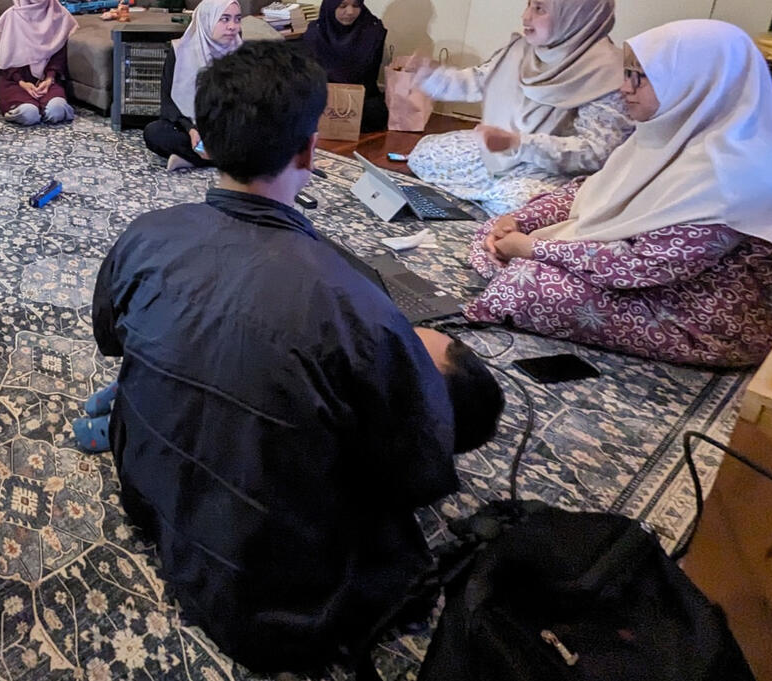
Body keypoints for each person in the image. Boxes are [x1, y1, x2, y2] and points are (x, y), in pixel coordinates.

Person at [89, 41, 503, 674]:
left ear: (204, 142)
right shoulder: (357, 301)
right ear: (310, 150)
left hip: (146, 494)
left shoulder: (146, 234)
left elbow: (112, 339)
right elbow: (416, 475)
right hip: (268, 598)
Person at [466, 19, 772, 368]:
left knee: (524, 283)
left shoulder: (741, 174)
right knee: (492, 232)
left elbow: (644, 265)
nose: (625, 87)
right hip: (638, 275)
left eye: (642, 76)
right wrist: (519, 220)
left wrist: (533, 248)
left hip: (695, 314)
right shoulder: (666, 133)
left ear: (700, 82)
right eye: (627, 73)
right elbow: (591, 192)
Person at [406, 0, 634, 215]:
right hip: (503, 153)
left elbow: (596, 153)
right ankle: (488, 197)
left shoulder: (607, 74)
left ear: (576, 17)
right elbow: (480, 80)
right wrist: (432, 77)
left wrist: (519, 143)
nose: (525, 16)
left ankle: (494, 203)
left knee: (517, 202)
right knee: (424, 155)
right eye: (528, 5)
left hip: (554, 170)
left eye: (539, 9)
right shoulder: (522, 48)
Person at [142, 0, 243, 171]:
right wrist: (192, 129)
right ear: (206, 19)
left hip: (229, 129)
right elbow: (168, 103)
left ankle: (193, 159)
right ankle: (221, 158)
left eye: (237, 19)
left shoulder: (242, 53)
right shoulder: (180, 51)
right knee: (155, 132)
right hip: (190, 127)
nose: (232, 26)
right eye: (224, 19)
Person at [0, 0, 77, 125]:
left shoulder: (59, 14)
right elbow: (7, 60)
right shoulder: (12, 17)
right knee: (29, 114)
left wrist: (49, 79)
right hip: (16, 81)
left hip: (47, 80)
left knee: (57, 111)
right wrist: (23, 83)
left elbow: (59, 53)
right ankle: (27, 109)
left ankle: (47, 107)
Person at [301, 0, 388, 133]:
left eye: (356, 5)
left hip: (360, 97)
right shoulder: (316, 33)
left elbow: (370, 78)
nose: (350, 12)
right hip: (326, 96)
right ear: (331, 5)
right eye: (342, 6)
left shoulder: (373, 31)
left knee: (375, 112)